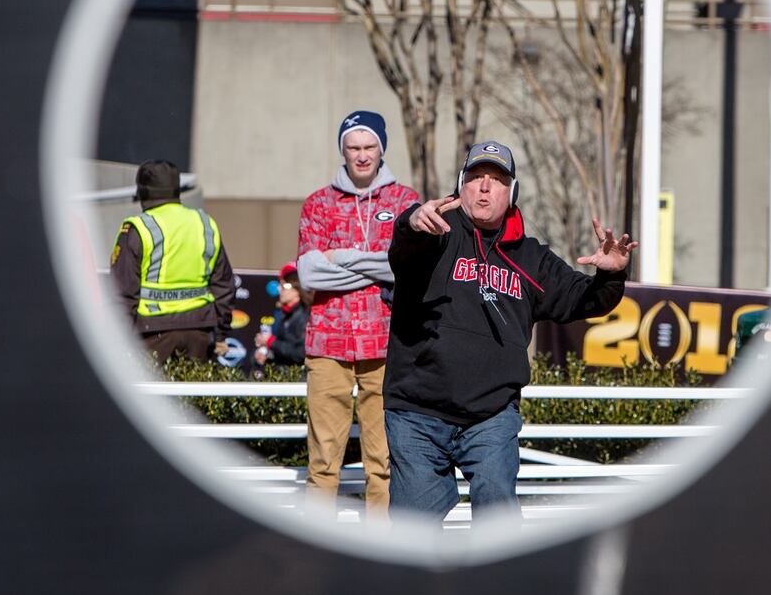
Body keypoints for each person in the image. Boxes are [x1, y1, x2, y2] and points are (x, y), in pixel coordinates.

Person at [384, 140, 637, 522]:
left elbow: (586, 300)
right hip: (418, 413)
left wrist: (611, 274)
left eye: (497, 179)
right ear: (460, 185)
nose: (485, 187)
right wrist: (410, 223)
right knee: (412, 531)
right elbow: (404, 252)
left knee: (498, 520)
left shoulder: (531, 257)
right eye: (476, 177)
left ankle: (496, 584)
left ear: (512, 192)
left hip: (490, 416)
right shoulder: (435, 232)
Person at [296, 110, 419, 517]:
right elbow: (309, 271)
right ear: (342, 151)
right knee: (322, 462)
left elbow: (407, 268)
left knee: (382, 462)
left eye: (369, 147)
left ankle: (381, 552)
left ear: (382, 149)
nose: (361, 156)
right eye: (353, 147)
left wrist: (341, 257)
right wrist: (372, 261)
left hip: (386, 343)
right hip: (326, 344)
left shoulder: (406, 202)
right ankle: (316, 546)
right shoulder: (318, 203)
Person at [110, 159, 236, 365]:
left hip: (152, 334)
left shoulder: (137, 229)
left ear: (142, 192)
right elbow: (224, 284)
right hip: (200, 333)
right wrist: (220, 333)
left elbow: (123, 293)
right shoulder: (205, 224)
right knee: (192, 396)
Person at [251, 261, 310, 375]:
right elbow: (282, 349)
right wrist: (265, 354)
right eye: (280, 285)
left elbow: (301, 353)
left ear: (298, 288)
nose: (279, 289)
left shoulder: (305, 315)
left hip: (297, 381)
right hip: (283, 377)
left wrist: (270, 342)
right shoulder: (282, 315)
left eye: (284, 285)